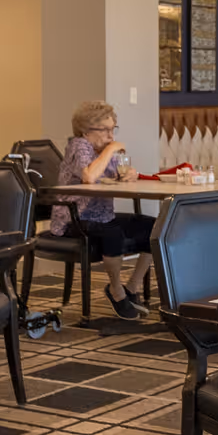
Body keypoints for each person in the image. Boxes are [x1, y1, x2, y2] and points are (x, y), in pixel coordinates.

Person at [49, 100, 154, 320]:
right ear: (86, 131)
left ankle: (132, 287)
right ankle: (116, 291)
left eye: (112, 128)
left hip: (102, 216)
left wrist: (129, 174)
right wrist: (111, 150)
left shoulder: (100, 150)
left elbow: (117, 172)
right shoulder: (79, 146)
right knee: (112, 232)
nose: (110, 135)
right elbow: (89, 176)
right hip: (73, 218)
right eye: (105, 130)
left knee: (154, 227)